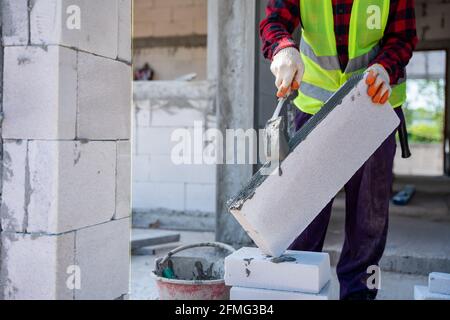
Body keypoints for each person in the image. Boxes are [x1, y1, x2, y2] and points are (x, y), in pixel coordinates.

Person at [260, 0, 418, 300]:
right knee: (304, 217)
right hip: (315, 108)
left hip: (375, 102)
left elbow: (403, 37)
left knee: (368, 219)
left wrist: (385, 68)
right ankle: (298, 292)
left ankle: (360, 295)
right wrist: (283, 47)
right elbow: (274, 21)